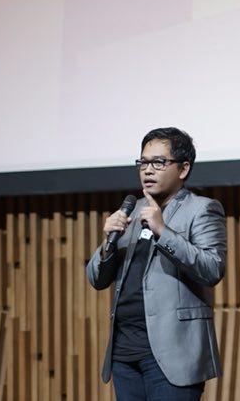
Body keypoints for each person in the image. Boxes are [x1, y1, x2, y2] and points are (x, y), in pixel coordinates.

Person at [86, 127, 227, 399]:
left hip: (173, 353)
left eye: (159, 162)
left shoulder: (202, 209)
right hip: (125, 354)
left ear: (183, 169)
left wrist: (163, 231)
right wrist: (108, 242)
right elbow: (97, 279)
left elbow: (212, 268)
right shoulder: (133, 210)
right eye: (143, 162)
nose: (148, 170)